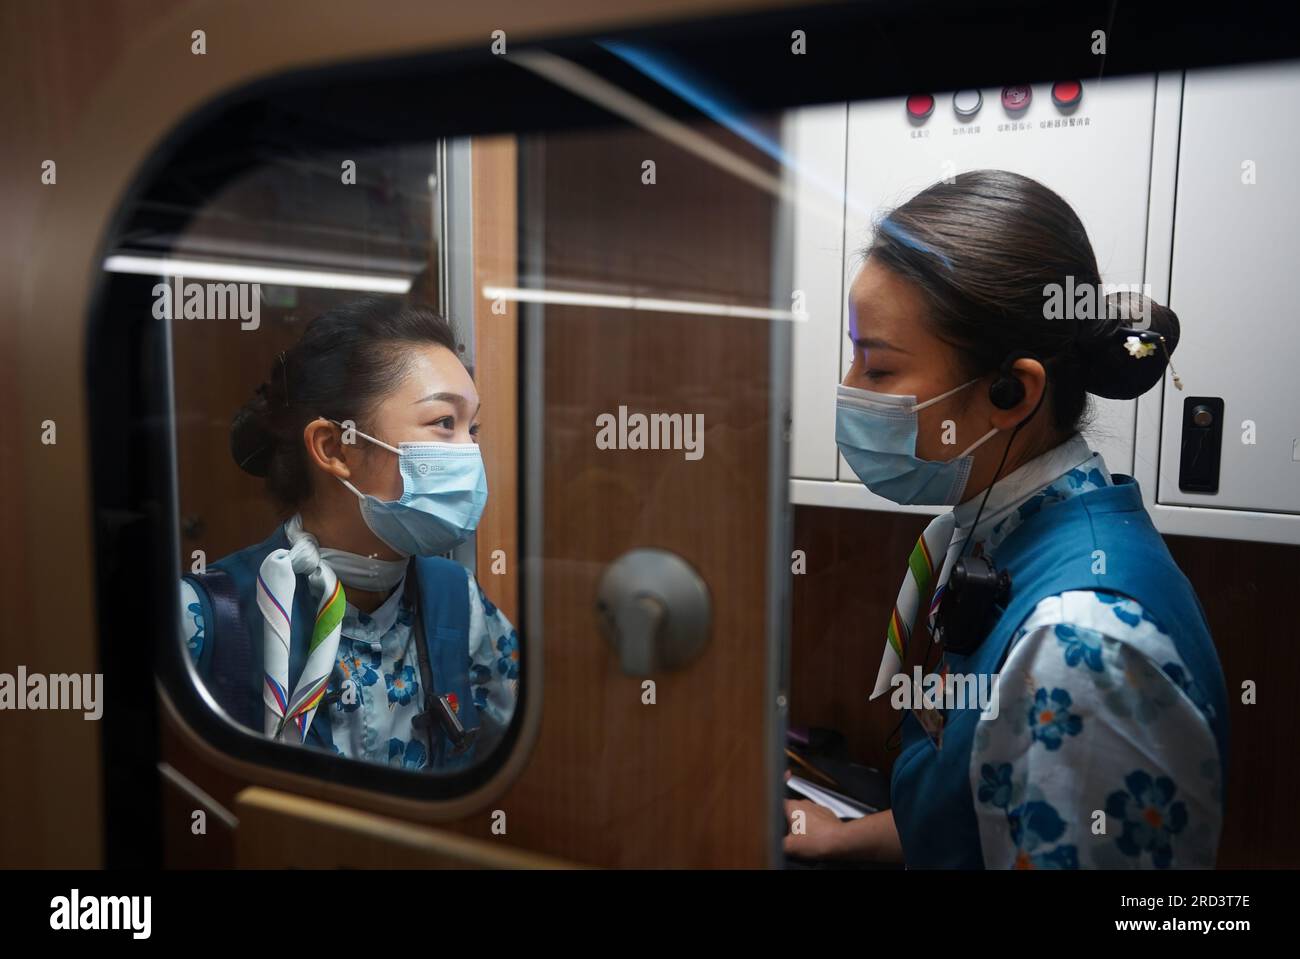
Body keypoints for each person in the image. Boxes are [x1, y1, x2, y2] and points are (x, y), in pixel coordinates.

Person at [784, 169, 1227, 868]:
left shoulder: (1082, 650)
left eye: (877, 368)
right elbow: (995, 794)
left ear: (1011, 392)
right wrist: (845, 837)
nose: (848, 391)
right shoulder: (997, 535)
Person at [179, 297, 518, 772]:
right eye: (445, 423)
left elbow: (525, 765)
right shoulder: (206, 617)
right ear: (336, 446)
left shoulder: (457, 602)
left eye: (472, 427)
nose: (470, 452)